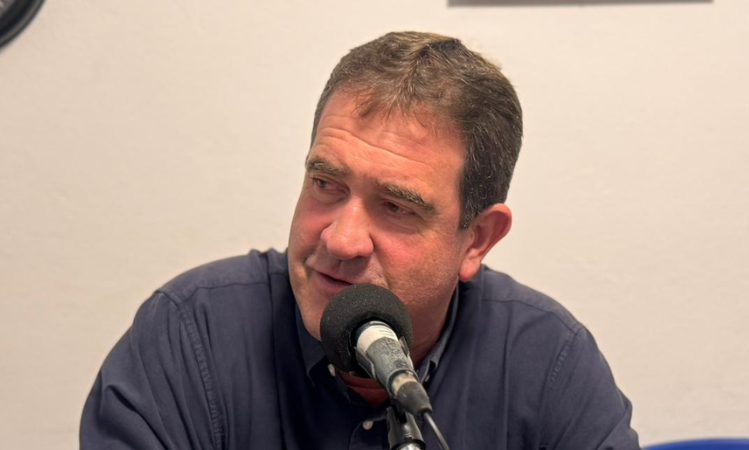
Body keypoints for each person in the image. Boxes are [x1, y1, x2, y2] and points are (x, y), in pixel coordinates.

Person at [81, 31, 641, 449]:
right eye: (326, 184)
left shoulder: (549, 361)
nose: (342, 240)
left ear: (477, 240)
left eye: (397, 207)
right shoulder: (190, 334)